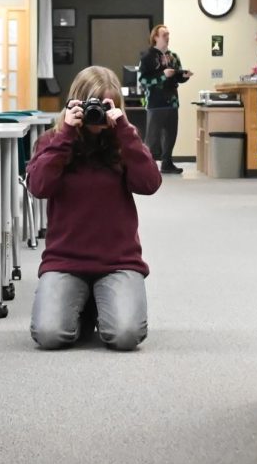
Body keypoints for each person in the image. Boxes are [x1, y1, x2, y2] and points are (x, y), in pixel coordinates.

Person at [26, 67, 162, 351]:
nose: (95, 116)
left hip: (118, 260)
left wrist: (125, 132)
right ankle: (87, 306)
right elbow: (38, 187)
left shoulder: (125, 141)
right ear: (76, 103)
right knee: (50, 335)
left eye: (105, 107)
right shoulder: (53, 141)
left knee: (125, 336)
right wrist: (66, 134)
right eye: (91, 106)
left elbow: (149, 184)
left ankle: (98, 303)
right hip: (65, 260)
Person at [138, 24, 193, 174]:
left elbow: (177, 77)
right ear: (155, 37)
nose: (167, 37)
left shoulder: (174, 56)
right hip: (156, 102)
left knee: (171, 134)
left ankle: (167, 163)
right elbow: (143, 80)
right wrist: (163, 75)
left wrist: (184, 76)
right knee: (152, 138)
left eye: (168, 34)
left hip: (172, 101)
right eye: (164, 35)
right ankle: (146, 166)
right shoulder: (147, 57)